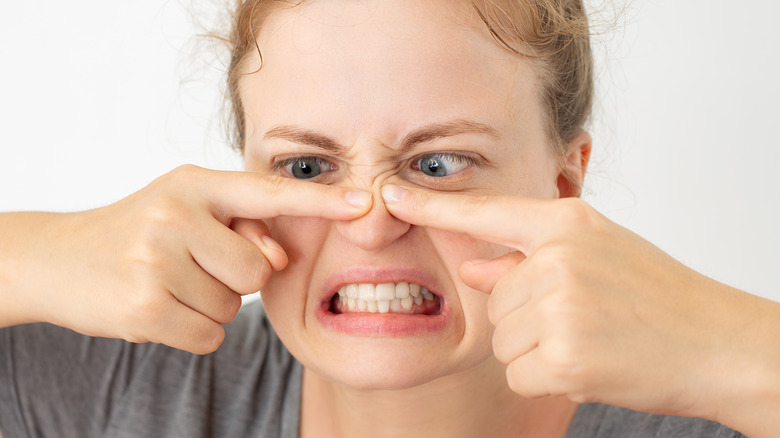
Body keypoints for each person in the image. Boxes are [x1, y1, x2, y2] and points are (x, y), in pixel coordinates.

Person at [1, 0, 778, 437]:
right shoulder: (119, 391)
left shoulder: (725, 409)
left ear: (564, 182)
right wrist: (33, 253)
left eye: (438, 165)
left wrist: (741, 349)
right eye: (307, 168)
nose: (371, 227)